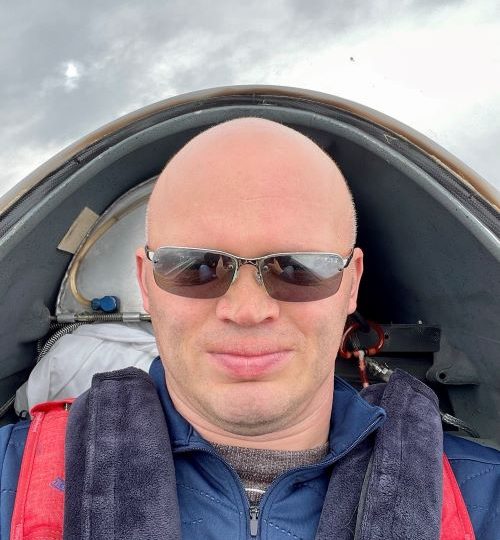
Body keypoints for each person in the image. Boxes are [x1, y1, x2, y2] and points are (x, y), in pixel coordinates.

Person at [1, 118, 498, 539]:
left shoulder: (487, 498)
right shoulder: (10, 477)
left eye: (298, 267)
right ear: (146, 283)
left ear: (351, 284)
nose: (246, 310)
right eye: (197, 267)